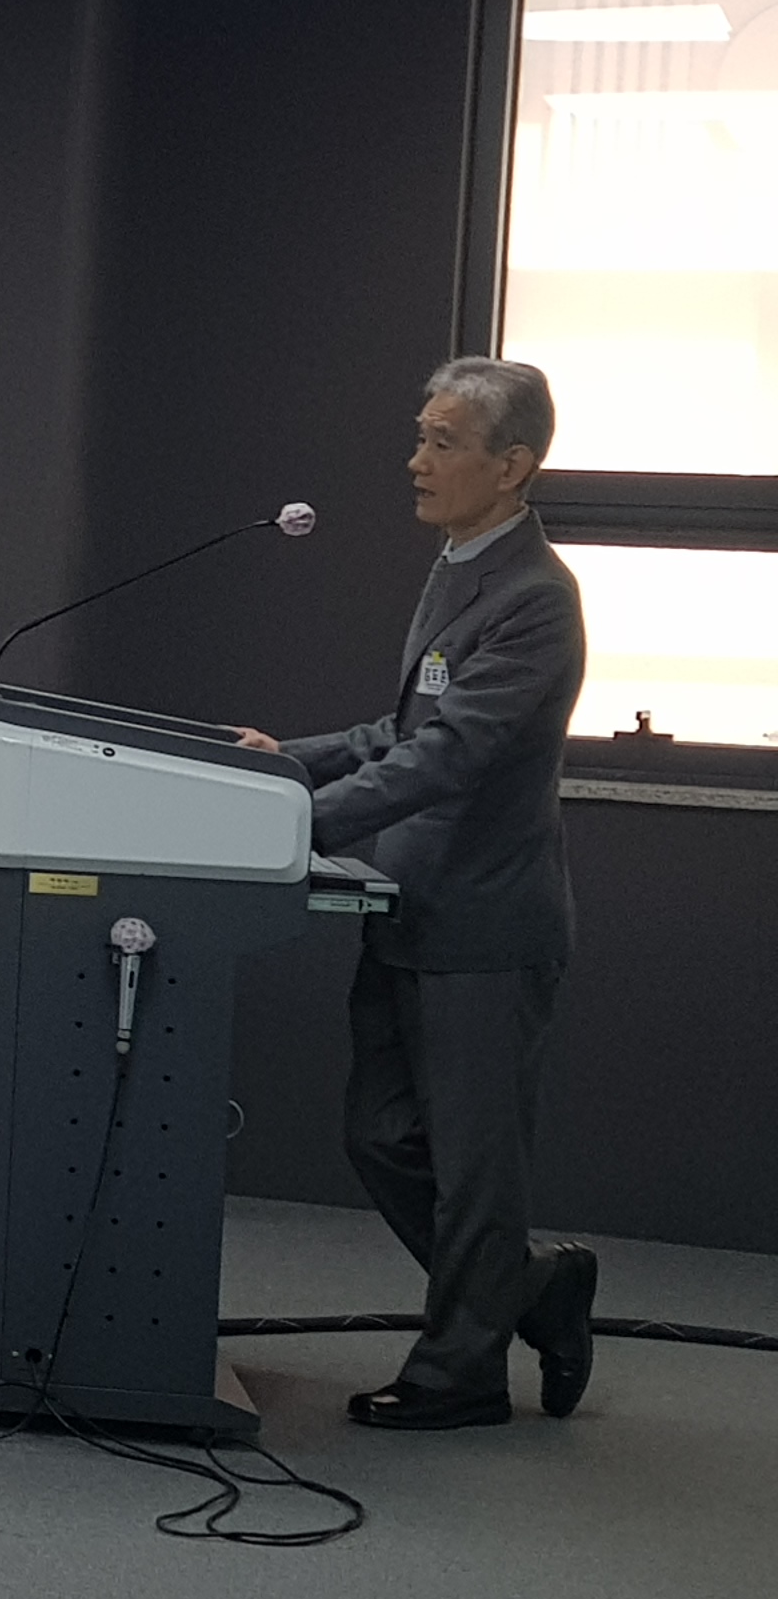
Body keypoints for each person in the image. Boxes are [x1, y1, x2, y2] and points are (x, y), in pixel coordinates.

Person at [230, 356, 593, 1432]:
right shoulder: (457, 568)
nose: (416, 461)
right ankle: (532, 1285)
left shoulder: (535, 600)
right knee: (381, 1137)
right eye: (420, 436)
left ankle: (461, 1373)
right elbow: (401, 731)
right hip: (407, 906)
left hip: (484, 924)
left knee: (477, 1167)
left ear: (512, 466)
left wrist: (300, 822)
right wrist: (286, 763)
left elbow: (452, 754)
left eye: (443, 442)